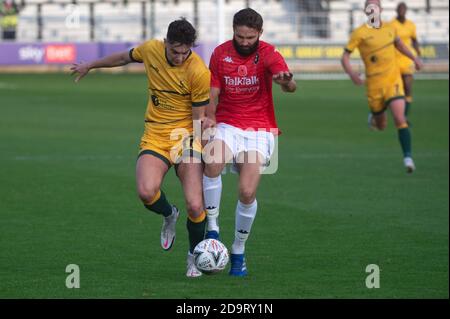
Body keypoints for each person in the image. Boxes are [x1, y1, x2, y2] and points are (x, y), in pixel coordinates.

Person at [70, 19, 210, 277]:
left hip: (185, 137)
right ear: (165, 43)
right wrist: (90, 64)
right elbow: (123, 58)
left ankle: (194, 257)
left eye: (185, 52)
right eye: (174, 51)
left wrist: (206, 148)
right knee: (146, 192)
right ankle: (169, 214)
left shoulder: (199, 71)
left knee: (194, 204)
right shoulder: (150, 50)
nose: (180, 57)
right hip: (155, 135)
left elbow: (198, 118)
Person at [201, 8, 297, 276]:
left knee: (246, 191)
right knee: (212, 162)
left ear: (260, 34)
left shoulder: (268, 53)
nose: (244, 42)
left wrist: (285, 82)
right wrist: (209, 118)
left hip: (259, 129)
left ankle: (239, 250)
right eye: (240, 36)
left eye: (250, 37)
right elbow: (213, 90)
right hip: (227, 123)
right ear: (233, 30)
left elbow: (289, 85)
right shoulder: (220, 53)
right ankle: (212, 228)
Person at [341, 0, 423, 173]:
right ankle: (374, 117)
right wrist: (352, 74)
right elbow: (345, 57)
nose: (373, 9)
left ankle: (408, 157)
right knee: (382, 126)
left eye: (376, 5)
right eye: (369, 6)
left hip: (393, 81)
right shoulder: (360, 33)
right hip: (374, 86)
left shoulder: (389, 28)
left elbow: (400, 45)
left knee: (400, 119)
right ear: (365, 10)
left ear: (381, 9)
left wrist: (414, 58)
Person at [390, 2, 421, 118]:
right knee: (395, 90)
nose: (401, 11)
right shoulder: (391, 24)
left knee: (408, 88)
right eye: (400, 9)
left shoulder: (411, 25)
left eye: (403, 9)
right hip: (394, 60)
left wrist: (418, 51)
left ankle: (404, 116)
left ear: (406, 10)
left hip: (407, 60)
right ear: (396, 10)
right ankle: (392, 112)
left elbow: (414, 39)